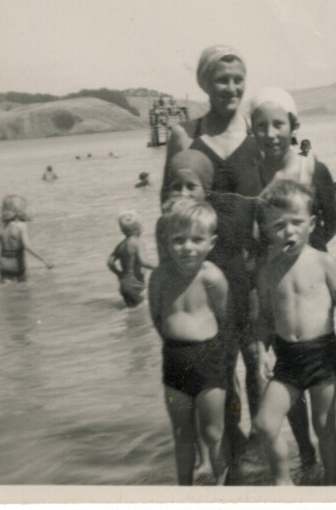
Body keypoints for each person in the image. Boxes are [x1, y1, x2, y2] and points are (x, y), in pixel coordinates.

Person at [163, 46, 264, 474]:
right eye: (222, 80)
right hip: (203, 273)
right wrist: (172, 280)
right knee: (218, 365)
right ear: (205, 83)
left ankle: (262, 447)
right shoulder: (185, 136)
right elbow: (168, 210)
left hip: (250, 269)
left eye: (238, 79)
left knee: (257, 359)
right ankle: (232, 447)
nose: (232, 87)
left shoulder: (258, 131)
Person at [252, 180, 336, 486]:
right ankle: (283, 484)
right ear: (267, 230)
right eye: (279, 225)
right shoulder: (267, 271)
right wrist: (261, 352)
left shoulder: (326, 264)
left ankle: (332, 483)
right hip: (286, 359)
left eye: (296, 222)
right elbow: (264, 320)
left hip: (321, 355)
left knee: (324, 425)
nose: (289, 231)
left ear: (311, 224)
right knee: (266, 423)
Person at [147, 197, 230, 486]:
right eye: (179, 240)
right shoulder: (159, 278)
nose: (188, 247)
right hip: (174, 361)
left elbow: (223, 317)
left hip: (209, 360)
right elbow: (157, 317)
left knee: (213, 433)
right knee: (182, 434)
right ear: (167, 241)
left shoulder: (212, 276)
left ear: (211, 242)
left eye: (197, 239)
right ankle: (184, 492)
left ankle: (223, 490)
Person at [250, 88, 336, 251]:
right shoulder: (250, 176)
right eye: (261, 126)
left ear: (294, 127)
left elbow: (332, 224)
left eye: (278, 124)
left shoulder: (314, 170)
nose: (270, 134)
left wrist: (305, 251)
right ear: (253, 131)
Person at [0, 195, 52, 281]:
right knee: (22, 286)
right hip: (17, 264)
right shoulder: (21, 226)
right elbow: (27, 247)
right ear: (19, 210)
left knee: (6, 285)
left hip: (3, 265)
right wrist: (44, 260)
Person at [107, 210, 157, 307]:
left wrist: (119, 274)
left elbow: (110, 263)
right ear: (139, 229)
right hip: (135, 284)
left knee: (132, 309)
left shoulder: (120, 245)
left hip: (124, 285)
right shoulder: (137, 243)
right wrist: (160, 266)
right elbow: (144, 262)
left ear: (123, 230)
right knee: (148, 306)